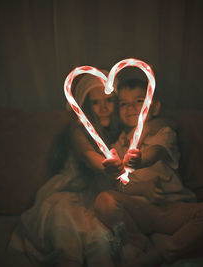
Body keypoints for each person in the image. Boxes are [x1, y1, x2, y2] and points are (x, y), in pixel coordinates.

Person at [95, 79, 203, 266]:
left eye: (138, 101)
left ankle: (162, 253)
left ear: (154, 107)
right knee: (104, 200)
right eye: (123, 103)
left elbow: (156, 152)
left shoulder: (163, 131)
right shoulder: (117, 145)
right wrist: (141, 188)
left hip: (171, 208)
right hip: (141, 212)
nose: (130, 107)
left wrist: (140, 159)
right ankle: (139, 246)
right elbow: (117, 185)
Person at [7, 70, 125, 267]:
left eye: (108, 101)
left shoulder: (118, 135)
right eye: (95, 103)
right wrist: (108, 167)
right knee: (66, 233)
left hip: (95, 198)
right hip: (67, 194)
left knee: (99, 241)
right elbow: (88, 155)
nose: (103, 108)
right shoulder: (77, 131)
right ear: (86, 106)